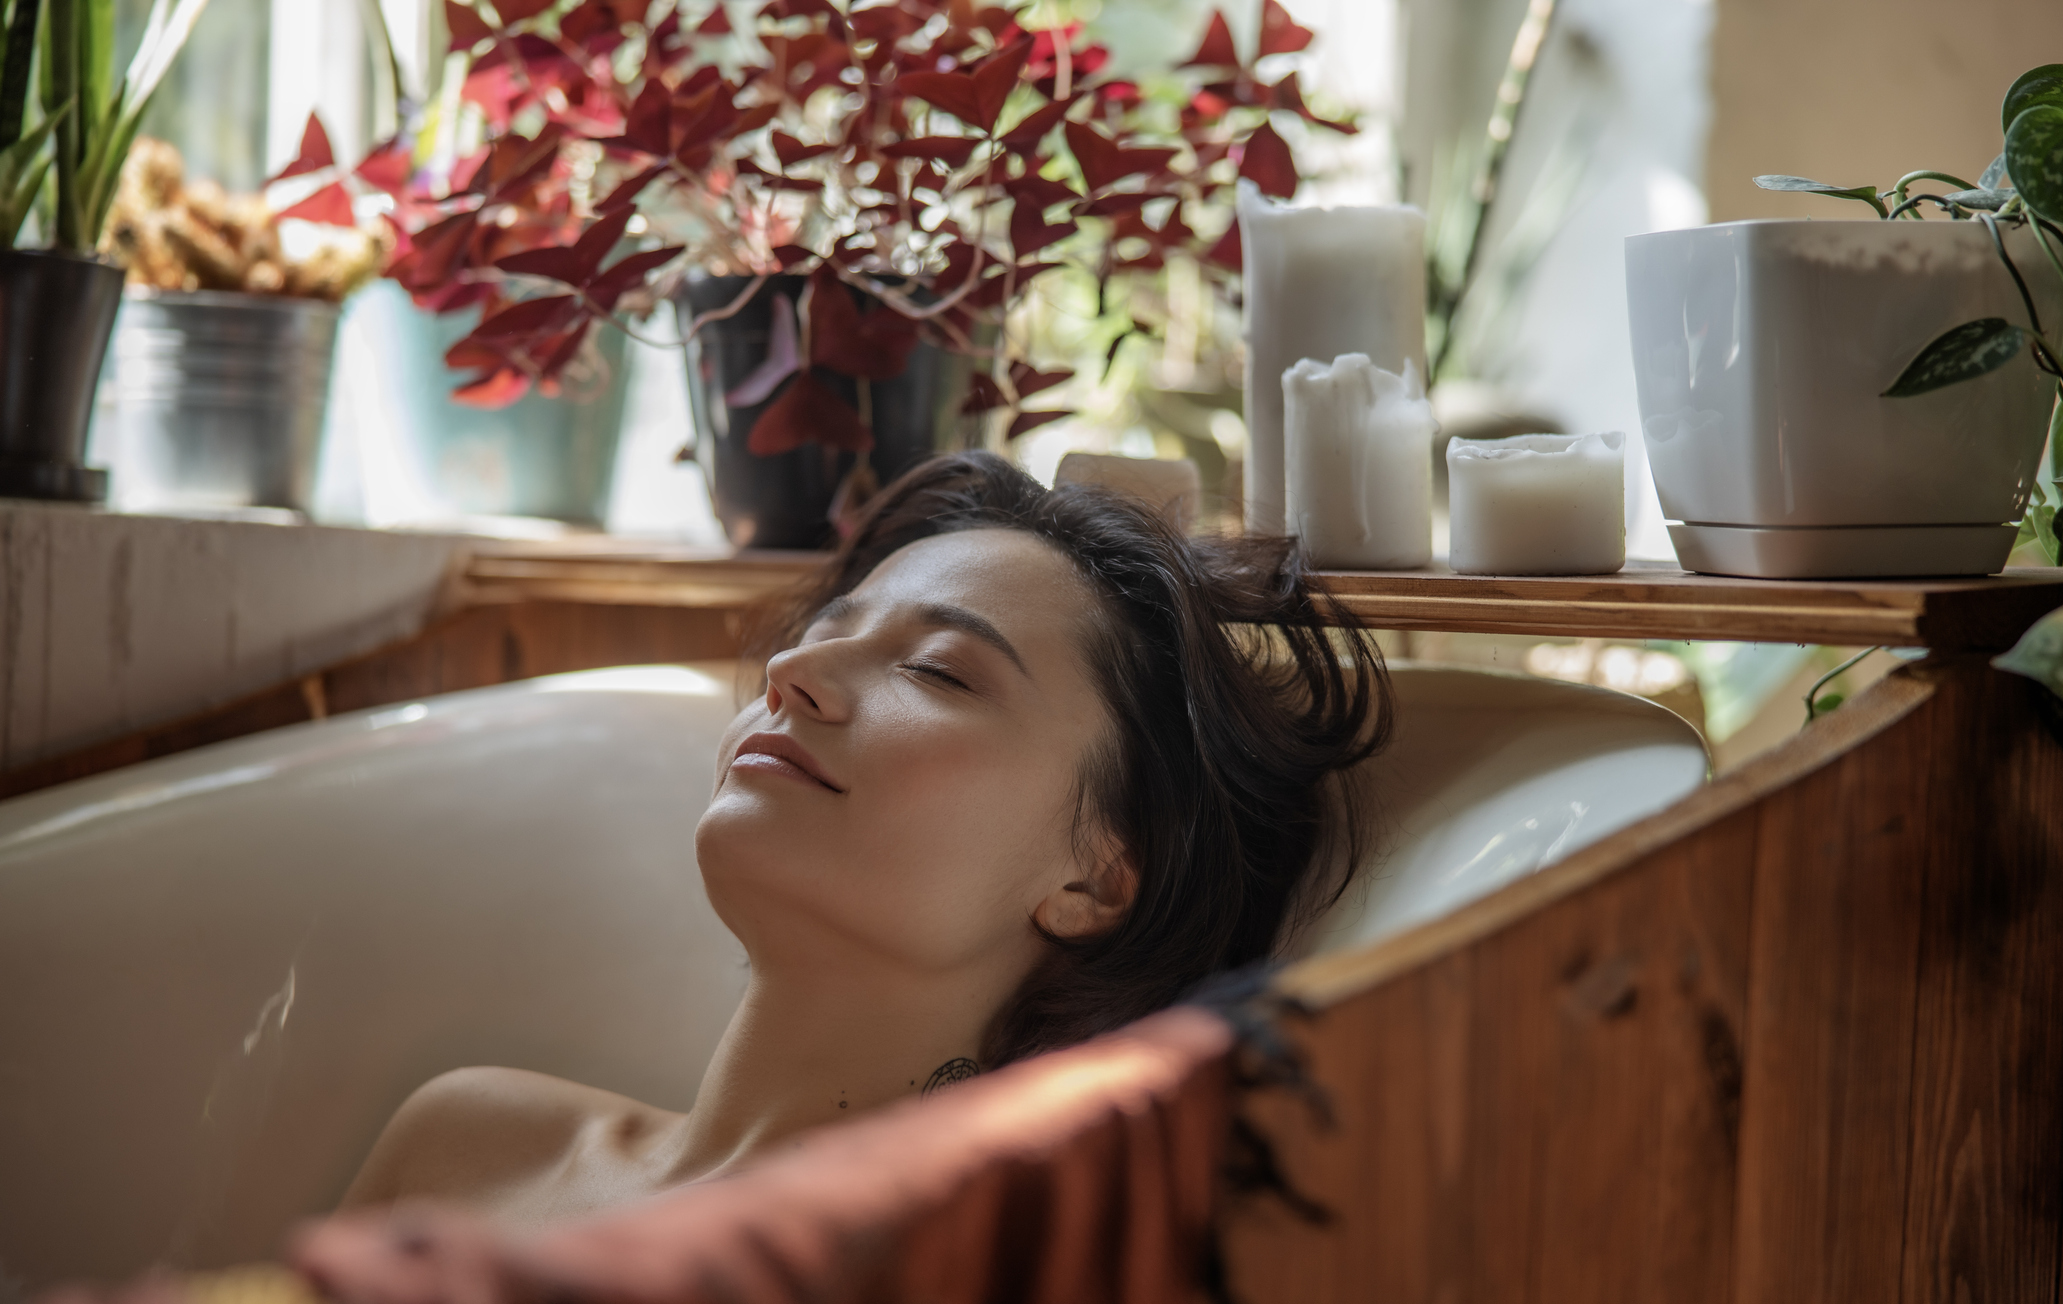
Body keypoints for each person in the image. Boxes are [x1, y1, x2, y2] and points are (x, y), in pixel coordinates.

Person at [341, 452, 1391, 1225]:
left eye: (936, 669)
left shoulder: (957, 1303)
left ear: (1098, 876)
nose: (789, 677)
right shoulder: (461, 1144)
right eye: (822, 633)